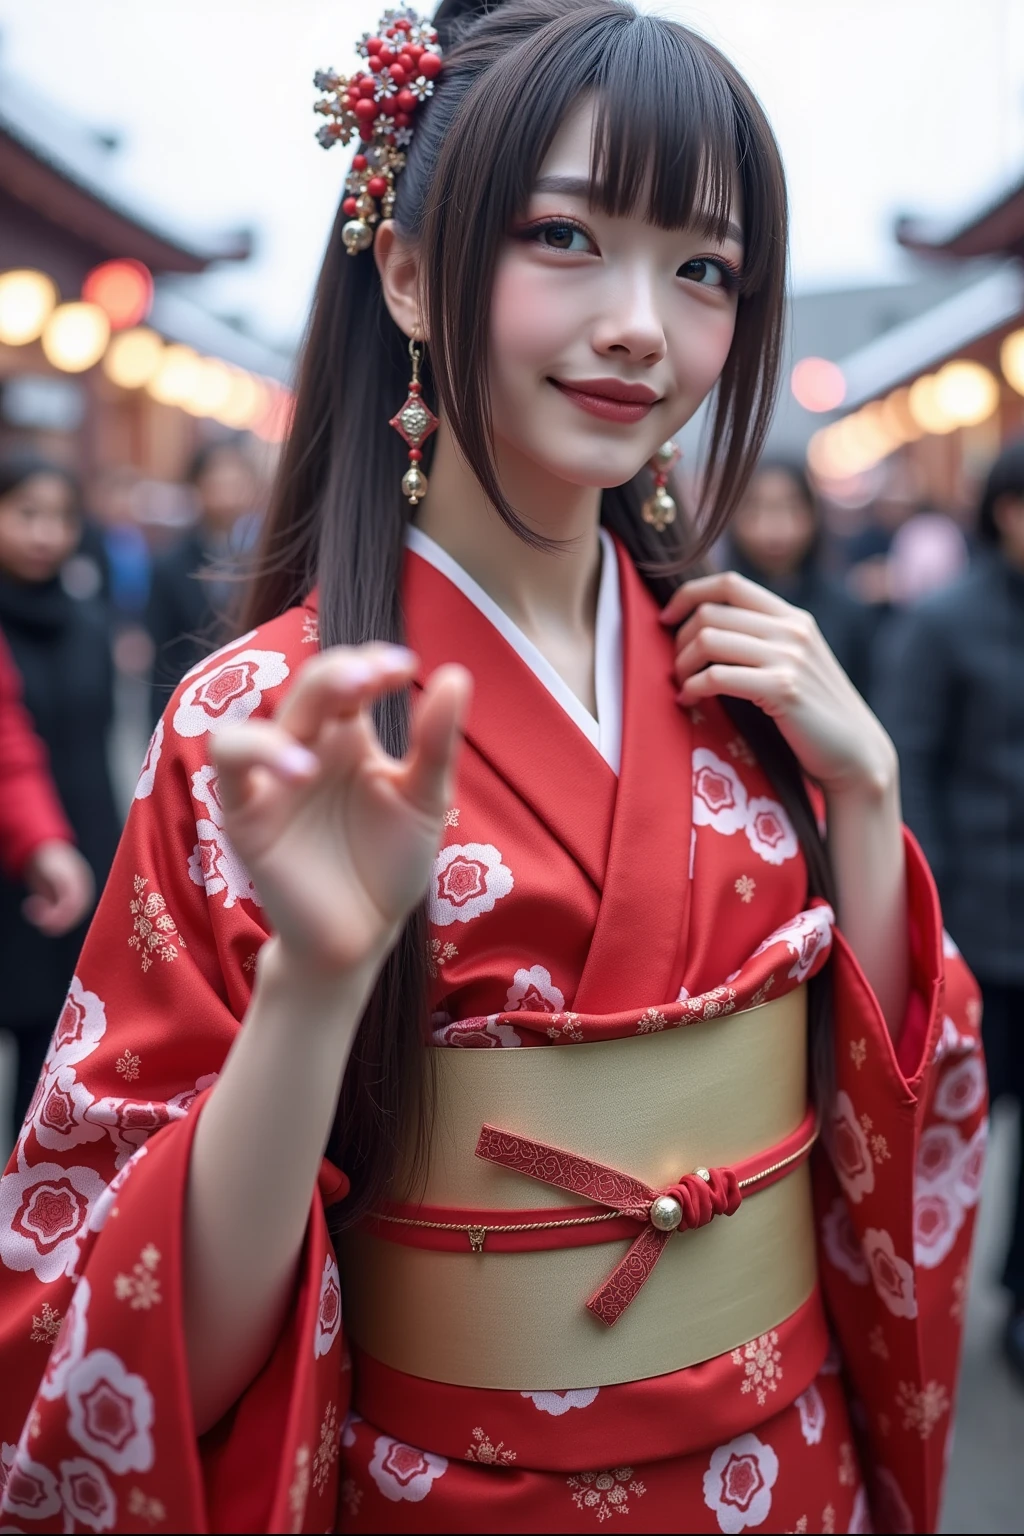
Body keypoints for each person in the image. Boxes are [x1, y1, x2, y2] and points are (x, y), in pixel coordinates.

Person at [0, 4, 984, 1531]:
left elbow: (871, 1166)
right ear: (405, 269)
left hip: (791, 1477)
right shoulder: (252, 723)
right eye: (566, 239)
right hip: (448, 1493)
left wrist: (865, 806)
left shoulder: (758, 689)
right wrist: (319, 988)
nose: (645, 324)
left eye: (703, 268)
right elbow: (145, 1356)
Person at [876, 437, 1024, 1386]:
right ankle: (904, 1310)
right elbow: (908, 769)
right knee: (941, 1134)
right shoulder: (943, 623)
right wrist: (932, 913)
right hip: (975, 923)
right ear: (1004, 511)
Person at [0, 451, 121, 1136]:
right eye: (27, 514)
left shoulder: (87, 621)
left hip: (74, 848)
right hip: (22, 846)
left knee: (51, 1042)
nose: (46, 533)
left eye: (62, 518)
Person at [724, 458, 875, 696]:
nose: (774, 527)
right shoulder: (718, 609)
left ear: (813, 514)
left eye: (791, 507)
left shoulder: (848, 610)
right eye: (756, 508)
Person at [146, 441, 261, 723]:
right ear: (197, 486)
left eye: (236, 481)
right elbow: (162, 654)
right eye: (217, 481)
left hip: (254, 701)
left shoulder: (267, 557)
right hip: (191, 706)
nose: (227, 493)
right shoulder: (170, 564)